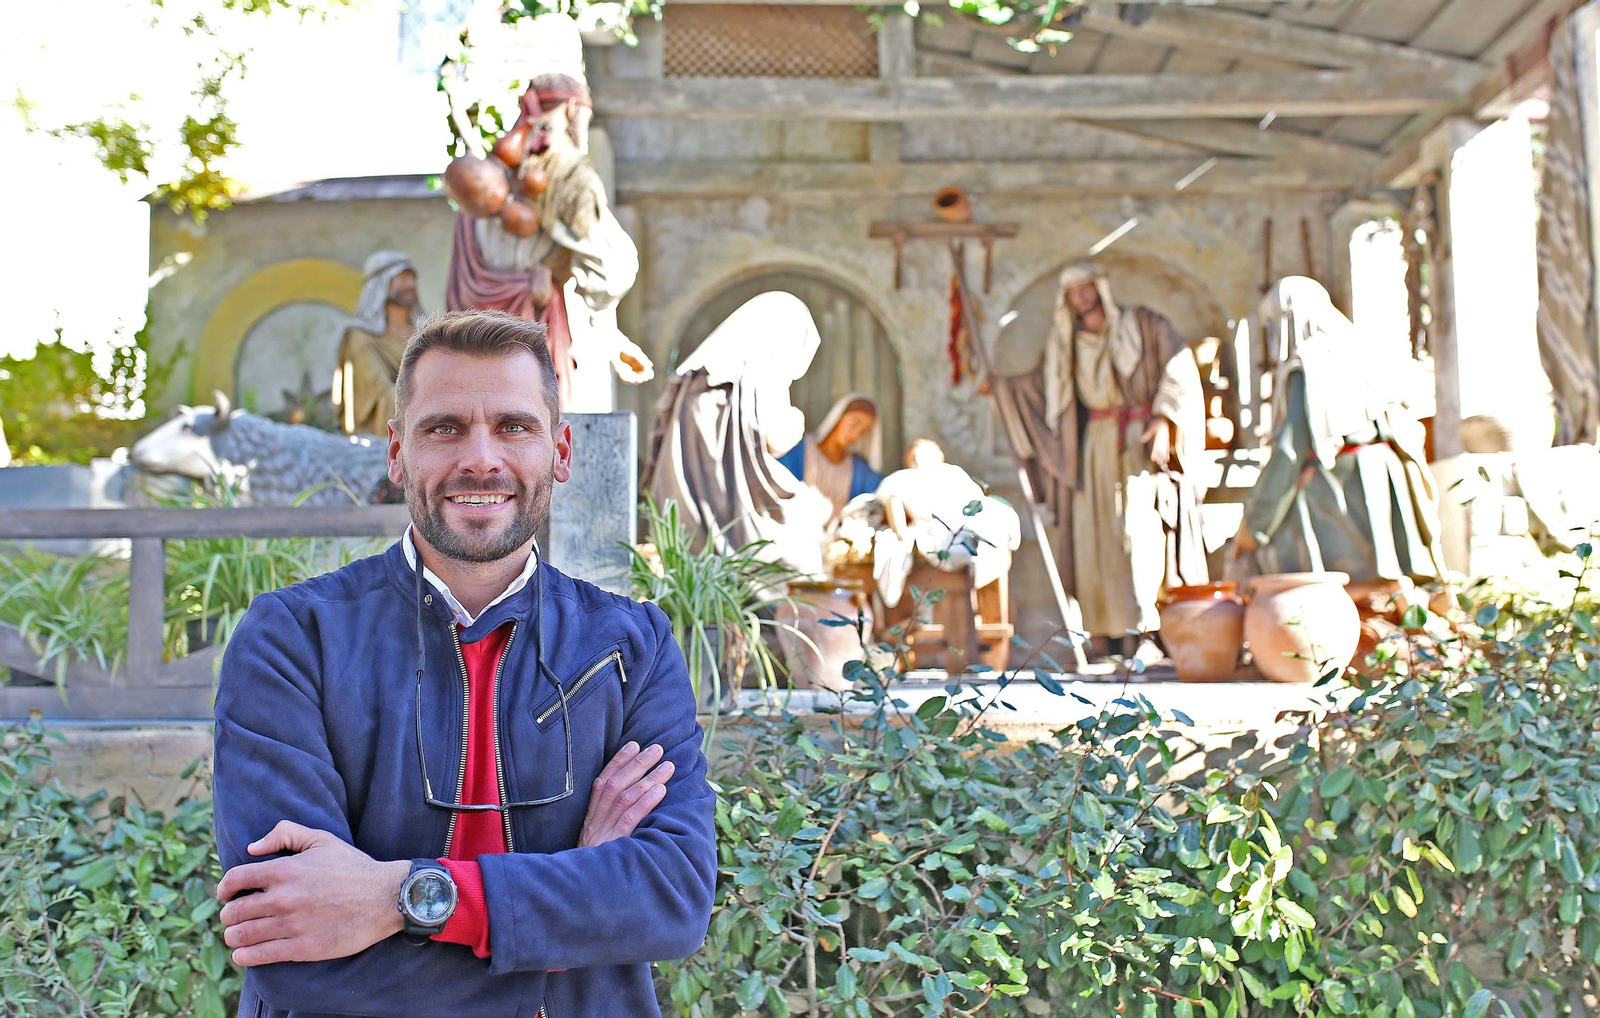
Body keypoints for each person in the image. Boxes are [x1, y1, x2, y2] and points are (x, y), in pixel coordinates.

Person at [213, 310, 715, 1018]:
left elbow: (672, 898)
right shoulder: (293, 639)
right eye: (444, 428)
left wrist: (396, 898)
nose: (481, 459)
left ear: (560, 450)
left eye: (514, 426)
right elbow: (291, 942)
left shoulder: (632, 646)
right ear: (397, 453)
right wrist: (575, 901)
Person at [990, 260, 1208, 659]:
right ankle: (1104, 636)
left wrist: (1163, 418)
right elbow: (1042, 390)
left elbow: (1178, 362)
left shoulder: (1141, 325)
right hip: (1092, 447)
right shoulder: (1065, 342)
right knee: (1092, 539)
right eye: (1074, 290)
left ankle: (1145, 634)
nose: (1083, 296)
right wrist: (1004, 391)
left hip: (1135, 440)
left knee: (1136, 533)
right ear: (1067, 299)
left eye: (1088, 286)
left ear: (1101, 287)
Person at [444, 16, 651, 409]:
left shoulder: (487, 173)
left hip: (476, 335)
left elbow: (465, 272)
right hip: (542, 325)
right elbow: (612, 271)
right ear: (574, 111)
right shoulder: (571, 174)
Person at [1232, 277, 1445, 588]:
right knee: (1385, 581)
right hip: (1386, 472)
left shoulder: (1308, 364)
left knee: (1287, 528)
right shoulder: (1358, 348)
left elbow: (1291, 451)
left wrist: (1254, 527)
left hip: (1342, 483)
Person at [641, 291, 832, 574]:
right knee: (805, 547)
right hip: (734, 521)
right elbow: (774, 440)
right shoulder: (756, 373)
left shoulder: (696, 378)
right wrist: (797, 421)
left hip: (685, 523)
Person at [868, 439, 1020, 607]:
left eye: (929, 451)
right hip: (932, 534)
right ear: (910, 459)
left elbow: (976, 502)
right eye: (916, 453)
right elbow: (893, 502)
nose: (921, 456)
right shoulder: (903, 478)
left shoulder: (953, 473)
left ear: (940, 456)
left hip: (964, 531)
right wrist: (901, 534)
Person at [333, 250, 425, 436]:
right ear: (380, 284)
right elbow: (376, 390)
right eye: (401, 278)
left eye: (412, 278)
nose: (410, 285)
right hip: (385, 428)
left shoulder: (425, 331)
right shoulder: (361, 336)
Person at [776, 393, 886, 524]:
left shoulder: (859, 469)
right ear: (839, 416)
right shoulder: (798, 449)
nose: (856, 434)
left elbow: (883, 491)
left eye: (863, 431)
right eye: (854, 424)